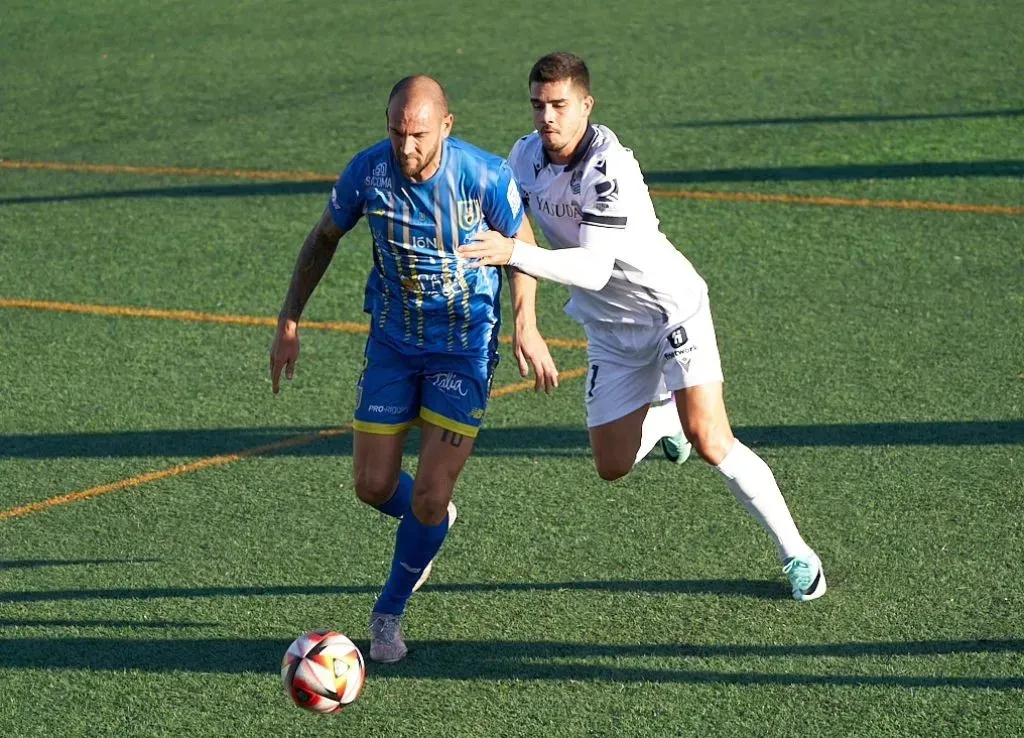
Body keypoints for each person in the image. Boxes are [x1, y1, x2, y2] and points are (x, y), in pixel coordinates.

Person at [458, 53, 826, 601]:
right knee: (611, 465)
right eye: (538, 105)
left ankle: (798, 555)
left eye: (559, 105)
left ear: (586, 104)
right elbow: (521, 235)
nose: (547, 118)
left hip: (668, 311)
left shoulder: (611, 168)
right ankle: (662, 421)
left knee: (710, 438)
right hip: (609, 329)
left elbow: (591, 266)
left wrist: (511, 251)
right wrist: (526, 322)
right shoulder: (525, 158)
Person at [270, 76, 560, 663]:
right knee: (372, 487)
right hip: (394, 345)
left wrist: (526, 322)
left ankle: (387, 614)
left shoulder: (483, 177)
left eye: (419, 136)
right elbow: (323, 237)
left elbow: (521, 244)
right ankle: (432, 523)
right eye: (397, 133)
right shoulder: (369, 173)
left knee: (428, 495)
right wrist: (289, 320)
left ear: (446, 126)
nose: (407, 149)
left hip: (463, 349)